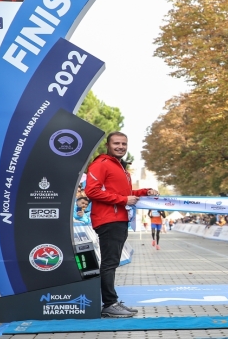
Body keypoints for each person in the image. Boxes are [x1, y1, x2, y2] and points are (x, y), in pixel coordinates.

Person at [85, 132, 159, 318]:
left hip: (118, 219)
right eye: (116, 143)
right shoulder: (101, 164)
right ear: (108, 145)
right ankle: (109, 304)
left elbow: (125, 192)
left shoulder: (120, 167)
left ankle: (112, 301)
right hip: (108, 219)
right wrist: (123, 199)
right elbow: (91, 191)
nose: (120, 146)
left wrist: (144, 191)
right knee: (109, 263)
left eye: (124, 144)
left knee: (112, 262)